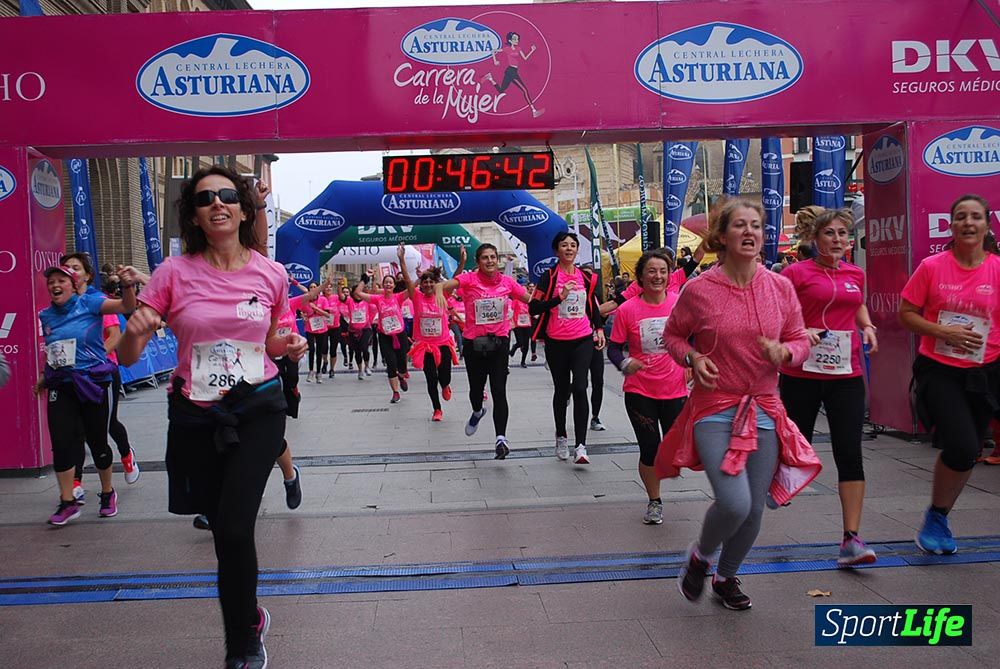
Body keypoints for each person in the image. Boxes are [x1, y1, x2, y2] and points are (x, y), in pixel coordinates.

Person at [119, 165, 307, 669]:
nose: (217, 203)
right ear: (195, 216)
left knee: (233, 528)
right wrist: (135, 330)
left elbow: (272, 337)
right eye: (205, 199)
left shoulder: (270, 273)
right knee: (219, 522)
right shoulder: (174, 274)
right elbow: (128, 357)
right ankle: (250, 615)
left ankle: (242, 641)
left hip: (259, 407)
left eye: (228, 195)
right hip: (197, 415)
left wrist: (288, 344)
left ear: (245, 209)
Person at [658, 199, 820, 611]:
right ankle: (701, 555)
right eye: (740, 226)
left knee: (752, 511)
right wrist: (693, 358)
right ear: (722, 236)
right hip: (714, 407)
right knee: (735, 501)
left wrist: (785, 353)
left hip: (764, 408)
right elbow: (673, 337)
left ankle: (726, 577)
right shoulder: (699, 290)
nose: (750, 232)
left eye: (757, 226)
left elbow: (800, 340)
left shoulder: (779, 286)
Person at [778, 208, 880, 566]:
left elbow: (857, 307)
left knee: (849, 451)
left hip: (846, 375)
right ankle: (771, 482)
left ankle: (851, 538)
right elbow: (779, 314)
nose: (838, 240)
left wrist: (867, 327)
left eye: (843, 234)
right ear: (815, 239)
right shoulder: (795, 274)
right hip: (802, 373)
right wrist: (798, 330)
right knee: (794, 444)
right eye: (830, 234)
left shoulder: (856, 274)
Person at [899, 194, 1000, 555]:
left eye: (975, 217)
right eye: (960, 217)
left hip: (987, 371)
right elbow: (906, 314)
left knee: (969, 450)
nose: (968, 223)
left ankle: (938, 516)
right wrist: (945, 332)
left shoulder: (997, 270)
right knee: (961, 444)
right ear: (951, 225)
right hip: (940, 369)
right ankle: (937, 518)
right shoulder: (932, 266)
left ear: (988, 224)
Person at [35, 263, 136, 526]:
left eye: (61, 281)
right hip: (61, 386)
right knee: (62, 442)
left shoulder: (90, 305)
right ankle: (68, 501)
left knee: (98, 442)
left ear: (73, 285)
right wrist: (45, 377)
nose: (55, 286)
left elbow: (126, 307)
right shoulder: (46, 315)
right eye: (51, 282)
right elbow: (54, 350)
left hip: (92, 383)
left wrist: (127, 286)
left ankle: (107, 492)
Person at [607, 248, 688, 524]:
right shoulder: (628, 309)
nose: (658, 276)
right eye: (651, 271)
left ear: (669, 275)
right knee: (650, 448)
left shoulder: (679, 304)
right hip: (640, 390)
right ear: (641, 276)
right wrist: (624, 363)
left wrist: (690, 365)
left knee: (674, 447)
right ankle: (655, 501)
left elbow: (694, 339)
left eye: (663, 271)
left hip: (675, 387)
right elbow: (614, 348)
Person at [436, 243, 529, 459]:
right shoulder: (469, 280)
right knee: (476, 390)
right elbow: (445, 285)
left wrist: (555, 303)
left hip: (499, 343)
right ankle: (477, 412)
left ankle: (501, 438)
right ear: (478, 262)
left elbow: (530, 301)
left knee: (498, 390)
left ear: (497, 260)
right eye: (485, 257)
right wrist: (440, 291)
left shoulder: (508, 282)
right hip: (473, 344)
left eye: (493, 257)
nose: (490, 261)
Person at [60, 252, 141, 496]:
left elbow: (115, 336)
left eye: (76, 267)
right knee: (75, 429)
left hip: (101, 374)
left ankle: (126, 454)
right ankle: (75, 484)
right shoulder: (60, 305)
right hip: (70, 376)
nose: (70, 271)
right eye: (66, 268)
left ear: (88, 275)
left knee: (107, 425)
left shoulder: (97, 301)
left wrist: (90, 359)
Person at [529, 232, 606, 464]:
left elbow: (593, 305)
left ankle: (581, 446)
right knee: (562, 391)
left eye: (573, 245)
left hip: (582, 338)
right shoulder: (549, 276)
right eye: (565, 245)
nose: (569, 249)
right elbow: (534, 307)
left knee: (581, 387)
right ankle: (561, 435)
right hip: (556, 341)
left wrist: (599, 329)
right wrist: (559, 298)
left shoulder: (586, 277)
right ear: (557, 250)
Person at [397, 244, 458, 421]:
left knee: (444, 376)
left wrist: (461, 261)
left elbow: (457, 279)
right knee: (431, 378)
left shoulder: (443, 295)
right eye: (425, 282)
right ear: (422, 285)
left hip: (443, 343)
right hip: (425, 346)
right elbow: (408, 281)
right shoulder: (416, 297)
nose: (428, 284)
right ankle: (437, 409)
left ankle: (446, 385)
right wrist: (401, 260)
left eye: (431, 281)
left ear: (435, 283)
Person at [353, 272, 410, 403]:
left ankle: (401, 376)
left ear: (394, 285)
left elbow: (412, 288)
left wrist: (420, 276)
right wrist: (364, 278)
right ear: (383, 285)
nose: (388, 284)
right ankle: (395, 392)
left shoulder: (399, 297)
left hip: (399, 334)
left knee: (402, 364)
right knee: (391, 363)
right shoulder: (378, 299)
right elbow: (358, 293)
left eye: (391, 282)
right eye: (386, 282)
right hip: (384, 335)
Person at [482, 31, 544, 118]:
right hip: (511, 71)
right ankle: (534, 111)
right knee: (525, 90)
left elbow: (525, 58)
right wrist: (495, 61)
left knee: (501, 91)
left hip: (512, 71)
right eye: (514, 39)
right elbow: (493, 51)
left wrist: (532, 51)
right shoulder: (507, 49)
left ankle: (490, 78)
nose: (517, 40)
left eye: (517, 39)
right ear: (510, 40)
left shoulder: (518, 48)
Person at [508, 281, 533, 368]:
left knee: (526, 344)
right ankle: (514, 348)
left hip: (527, 324)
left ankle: (523, 361)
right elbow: (511, 311)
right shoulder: (515, 301)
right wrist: (512, 323)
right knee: (520, 342)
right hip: (517, 325)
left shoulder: (529, 301)